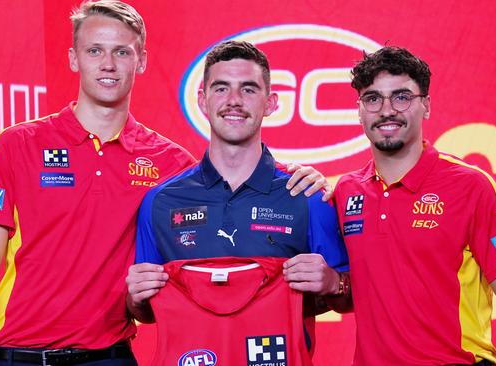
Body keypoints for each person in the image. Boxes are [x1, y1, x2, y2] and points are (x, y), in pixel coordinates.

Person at [0, 2, 331, 366]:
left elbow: (232, 178)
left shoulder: (170, 164)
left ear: (142, 60)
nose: (108, 64)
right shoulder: (18, 144)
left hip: (110, 355)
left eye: (122, 52)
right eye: (95, 50)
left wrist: (301, 177)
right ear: (73, 58)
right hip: (20, 355)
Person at [125, 41, 351, 357]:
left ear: (271, 103)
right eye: (221, 89)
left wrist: (333, 282)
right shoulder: (161, 202)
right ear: (202, 101)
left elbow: (348, 297)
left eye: (248, 89)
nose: (233, 101)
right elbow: (147, 311)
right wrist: (135, 299)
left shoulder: (306, 195)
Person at [334, 46, 496, 365]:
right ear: (359, 110)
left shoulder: (472, 187)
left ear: (426, 106)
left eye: (401, 97)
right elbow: (347, 293)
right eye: (373, 99)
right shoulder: (346, 191)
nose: (387, 110)